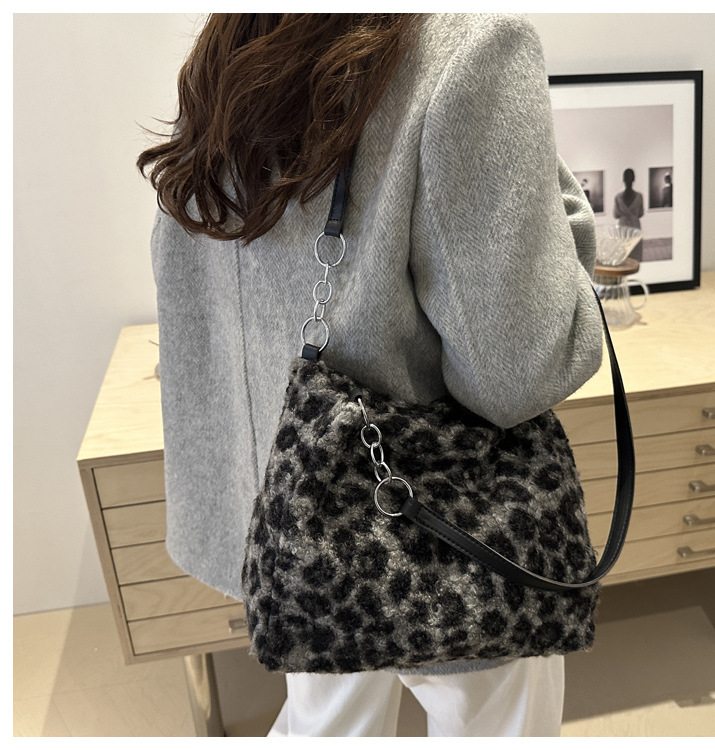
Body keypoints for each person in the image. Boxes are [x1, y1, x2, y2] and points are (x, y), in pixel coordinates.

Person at [137, 13, 603, 737]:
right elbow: (520, 370)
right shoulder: (470, 48)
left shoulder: (239, 38)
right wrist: (563, 211)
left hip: (295, 515)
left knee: (327, 724)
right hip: (445, 533)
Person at [613, 168, 645, 261]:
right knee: (636, 255)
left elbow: (616, 215)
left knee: (624, 253)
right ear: (634, 179)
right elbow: (641, 213)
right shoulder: (639, 196)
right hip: (635, 226)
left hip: (623, 227)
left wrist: (624, 214)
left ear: (623, 180)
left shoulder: (618, 197)